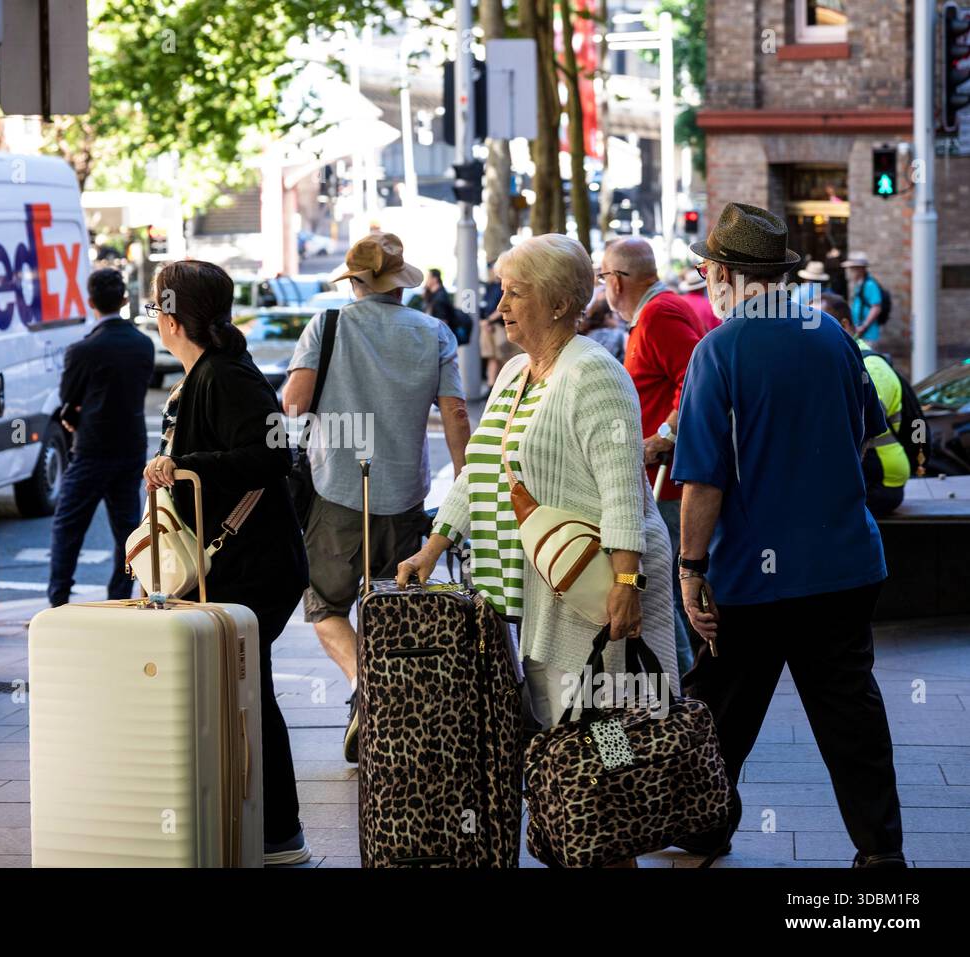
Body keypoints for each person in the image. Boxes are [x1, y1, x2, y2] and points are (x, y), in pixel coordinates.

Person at [397, 235, 679, 869]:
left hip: (600, 583)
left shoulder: (594, 372)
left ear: (556, 303)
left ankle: (614, 849)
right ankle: (595, 844)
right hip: (549, 583)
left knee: (607, 731)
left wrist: (626, 586)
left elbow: (621, 490)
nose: (500, 306)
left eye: (514, 293)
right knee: (562, 723)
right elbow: (479, 474)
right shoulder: (518, 374)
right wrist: (433, 545)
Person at [672, 202, 904, 868]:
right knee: (850, 717)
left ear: (722, 272)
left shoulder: (719, 350)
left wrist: (692, 569)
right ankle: (882, 854)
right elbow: (862, 430)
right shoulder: (830, 332)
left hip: (751, 579)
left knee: (720, 715)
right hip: (845, 565)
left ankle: (707, 830)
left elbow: (705, 484)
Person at [142, 259, 311, 866]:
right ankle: (253, 825)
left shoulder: (225, 375)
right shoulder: (204, 373)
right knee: (241, 689)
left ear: (172, 316)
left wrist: (188, 468)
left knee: (247, 691)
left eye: (157, 309)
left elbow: (271, 458)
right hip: (231, 561)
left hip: (252, 564)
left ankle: (279, 831)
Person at [282, 231, 469, 763]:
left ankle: (369, 689)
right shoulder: (434, 331)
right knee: (392, 607)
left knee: (324, 604)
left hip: (337, 489)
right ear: (399, 284)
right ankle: (384, 702)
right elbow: (455, 414)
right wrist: (463, 481)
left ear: (357, 283)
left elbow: (294, 405)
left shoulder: (329, 324)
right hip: (406, 494)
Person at [600, 237, 706, 675]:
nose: (602, 286)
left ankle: (685, 691)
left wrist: (663, 435)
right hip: (661, 476)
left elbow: (695, 380)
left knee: (661, 588)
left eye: (603, 276)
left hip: (665, 479)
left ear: (619, 281)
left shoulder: (660, 314)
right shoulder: (656, 314)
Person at [48, 268, 155, 606]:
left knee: (68, 526)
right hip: (132, 447)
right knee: (127, 533)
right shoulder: (144, 345)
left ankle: (59, 598)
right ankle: (119, 597)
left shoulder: (83, 350)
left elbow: (68, 395)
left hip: (92, 448)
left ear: (90, 301)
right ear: (125, 299)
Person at [820, 291, 911, 517]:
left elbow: (862, 426)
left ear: (845, 324)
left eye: (819, 323)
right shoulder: (842, 360)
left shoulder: (871, 366)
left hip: (880, 481)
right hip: (864, 474)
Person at [843, 252, 885, 344]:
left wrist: (864, 326)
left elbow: (876, 307)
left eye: (853, 268)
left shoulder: (870, 284)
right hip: (861, 332)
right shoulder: (860, 284)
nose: (850, 271)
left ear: (860, 269)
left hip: (868, 334)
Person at [579, 289, 626, 363]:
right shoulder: (613, 335)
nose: (618, 318)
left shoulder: (588, 335)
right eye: (616, 314)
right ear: (607, 316)